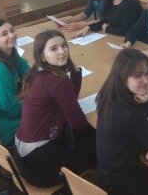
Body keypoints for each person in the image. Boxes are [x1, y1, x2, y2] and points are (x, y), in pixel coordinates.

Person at [15, 30, 95, 187]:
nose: (62, 51)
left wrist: (75, 73)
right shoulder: (57, 80)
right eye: (54, 48)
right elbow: (77, 123)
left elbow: (69, 99)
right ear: (42, 56)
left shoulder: (37, 72)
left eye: (64, 46)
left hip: (22, 156)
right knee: (99, 138)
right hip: (40, 165)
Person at [95, 49, 148, 195]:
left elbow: (127, 134)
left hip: (106, 178)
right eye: (138, 75)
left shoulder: (108, 96)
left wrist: (145, 149)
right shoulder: (131, 114)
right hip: (124, 186)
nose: (146, 80)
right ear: (122, 77)